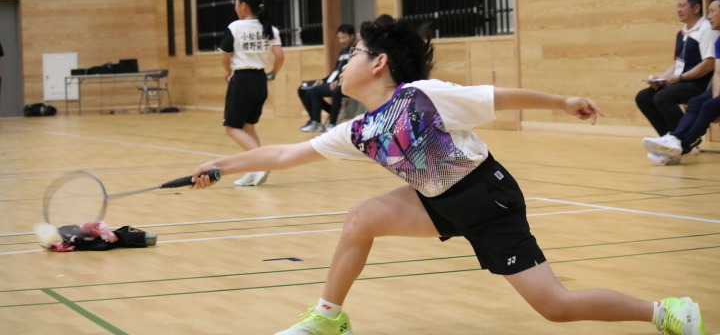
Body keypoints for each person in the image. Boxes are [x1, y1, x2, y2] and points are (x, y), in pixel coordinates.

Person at [192, 18, 707, 335]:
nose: (343, 63)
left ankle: (665, 311)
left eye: (353, 55)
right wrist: (219, 165)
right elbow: (285, 153)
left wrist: (562, 102)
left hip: (488, 198)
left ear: (380, 63)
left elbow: (498, 97)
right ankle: (329, 316)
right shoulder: (360, 130)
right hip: (435, 199)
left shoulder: (423, 96)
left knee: (555, 307)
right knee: (362, 218)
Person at [219, 0, 284, 187]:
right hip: (260, 81)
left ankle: (262, 163)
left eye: (236, 2)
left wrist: (227, 73)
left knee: (232, 128)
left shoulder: (236, 27)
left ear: (244, 6)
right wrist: (273, 73)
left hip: (242, 81)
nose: (235, 6)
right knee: (248, 127)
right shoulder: (270, 28)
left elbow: (224, 55)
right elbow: (280, 56)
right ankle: (254, 170)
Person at [643, 0, 720, 165]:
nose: (709, 16)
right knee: (696, 102)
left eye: (713, 11)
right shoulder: (718, 41)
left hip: (697, 82)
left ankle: (678, 146)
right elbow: (718, 73)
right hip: (709, 87)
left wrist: (715, 102)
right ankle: (672, 140)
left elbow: (709, 65)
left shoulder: (707, 31)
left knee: (707, 105)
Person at [298, 24, 356, 132]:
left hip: (344, 83)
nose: (341, 41)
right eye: (339, 38)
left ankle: (321, 123)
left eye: (344, 37)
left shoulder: (355, 50)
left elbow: (353, 70)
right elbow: (336, 71)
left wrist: (339, 81)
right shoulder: (343, 51)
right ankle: (314, 120)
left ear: (352, 36)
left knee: (314, 92)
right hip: (333, 81)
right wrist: (323, 80)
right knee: (303, 89)